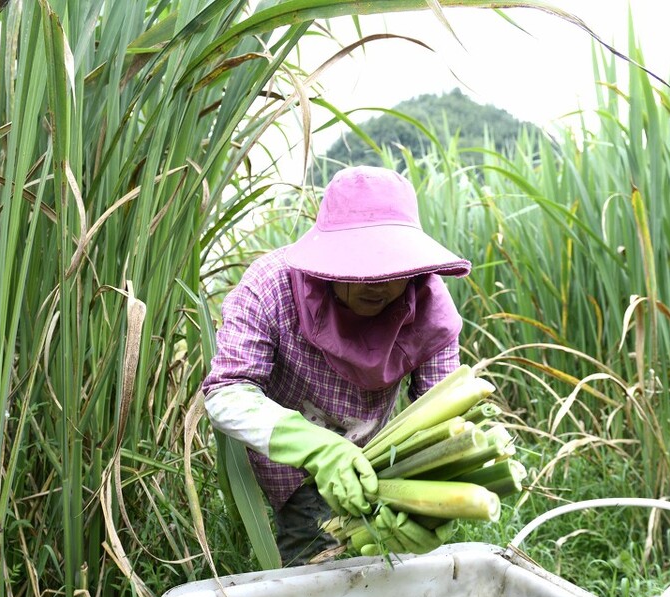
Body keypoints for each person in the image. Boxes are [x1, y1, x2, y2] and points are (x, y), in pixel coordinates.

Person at [201, 166, 471, 566]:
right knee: (314, 558)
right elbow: (226, 393)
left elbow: (440, 405)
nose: (377, 282)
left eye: (392, 265)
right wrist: (318, 448)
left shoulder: (429, 304)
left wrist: (435, 488)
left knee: (382, 564)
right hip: (290, 456)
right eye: (359, 264)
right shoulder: (269, 286)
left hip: (374, 455)